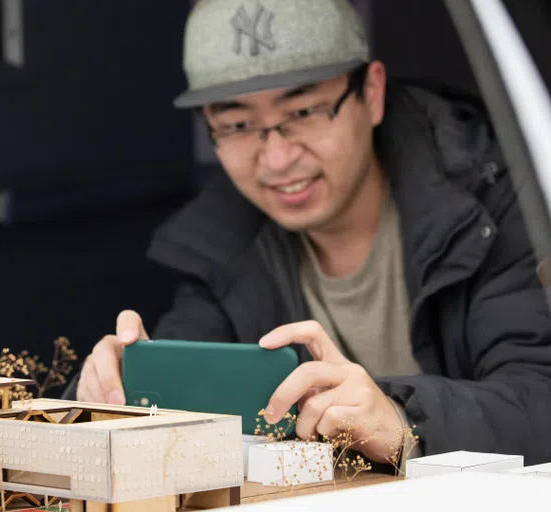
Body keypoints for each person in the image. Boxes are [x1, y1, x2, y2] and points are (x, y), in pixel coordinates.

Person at [61, 0, 551, 467]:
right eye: (236, 124)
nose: (276, 159)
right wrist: (117, 392)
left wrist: (402, 420)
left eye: (302, 113)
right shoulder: (222, 244)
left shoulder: (501, 202)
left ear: (372, 93)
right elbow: (181, 391)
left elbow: (540, 397)